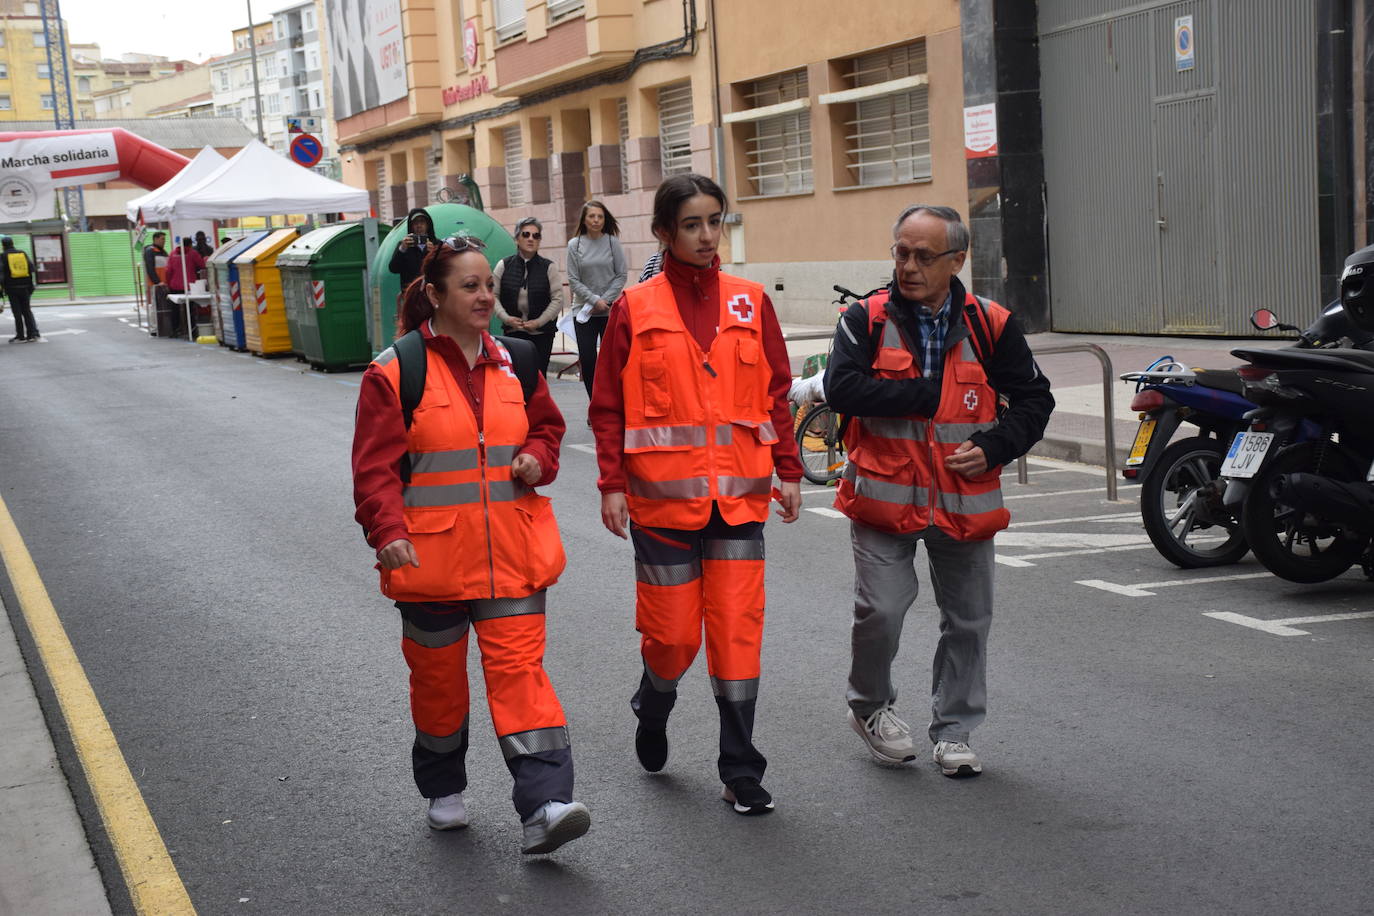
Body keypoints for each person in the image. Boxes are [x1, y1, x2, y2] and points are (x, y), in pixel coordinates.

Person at [351, 235, 591, 855]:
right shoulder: (395, 371)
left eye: (489, 284)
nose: (486, 296)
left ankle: (546, 805)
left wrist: (538, 457)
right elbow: (374, 470)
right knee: (438, 685)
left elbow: (547, 430)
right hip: (430, 560)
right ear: (435, 295)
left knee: (521, 676)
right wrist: (388, 532)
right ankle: (443, 786)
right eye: (470, 286)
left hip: (513, 554)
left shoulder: (517, 359)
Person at [590, 174, 803, 816]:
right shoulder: (635, 308)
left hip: (738, 502)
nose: (708, 236)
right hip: (662, 505)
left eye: (715, 221)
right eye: (692, 225)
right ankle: (654, 702)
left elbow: (776, 394)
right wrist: (611, 484)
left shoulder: (750, 301)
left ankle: (740, 768)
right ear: (664, 233)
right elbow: (608, 406)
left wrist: (789, 470)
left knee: (737, 633)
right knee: (675, 638)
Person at [824, 204, 1054, 777]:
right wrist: (922, 396)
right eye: (901, 252)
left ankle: (954, 730)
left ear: (957, 260)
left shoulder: (992, 323)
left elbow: (1035, 400)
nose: (908, 266)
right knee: (880, 610)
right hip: (883, 498)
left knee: (969, 620)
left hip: (964, 501)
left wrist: (996, 446)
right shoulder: (866, 318)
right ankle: (870, 707)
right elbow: (841, 388)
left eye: (924, 256)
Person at [566, 200, 626, 399]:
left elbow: (621, 275)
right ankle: (594, 402)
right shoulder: (574, 245)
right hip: (583, 311)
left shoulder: (612, 242)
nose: (596, 220)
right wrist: (593, 300)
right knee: (588, 358)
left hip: (609, 310)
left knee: (612, 359)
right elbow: (573, 279)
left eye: (600, 216)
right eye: (592, 216)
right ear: (584, 220)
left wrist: (605, 301)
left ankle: (613, 400)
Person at [493, 217, 562, 378]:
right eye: (526, 234)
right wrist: (507, 318)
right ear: (517, 238)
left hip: (542, 334)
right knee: (516, 377)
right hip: (513, 333)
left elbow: (558, 299)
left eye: (536, 236)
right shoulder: (504, 265)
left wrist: (539, 322)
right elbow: (493, 295)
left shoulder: (549, 267)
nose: (531, 239)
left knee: (538, 378)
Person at [388, 208, 439, 292]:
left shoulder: (437, 244)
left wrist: (434, 253)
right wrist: (402, 250)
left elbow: (444, 269)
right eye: (415, 223)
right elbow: (393, 269)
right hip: (410, 293)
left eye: (422, 222)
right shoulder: (404, 245)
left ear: (428, 224)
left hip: (431, 292)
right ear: (411, 226)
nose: (419, 225)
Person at [164, 237, 207, 338]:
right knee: (190, 310)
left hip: (174, 286)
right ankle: (191, 331)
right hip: (189, 286)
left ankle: (175, 330)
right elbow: (202, 265)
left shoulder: (172, 254)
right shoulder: (193, 253)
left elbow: (168, 271)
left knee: (175, 310)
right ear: (190, 244)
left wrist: (168, 283)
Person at [1, 237, 38, 342]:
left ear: (3, 245)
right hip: (25, 287)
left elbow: (1, 274)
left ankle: (20, 335)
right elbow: (32, 268)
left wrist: (2, 289)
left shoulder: (3, 256)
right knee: (27, 311)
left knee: (17, 313)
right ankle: (31, 335)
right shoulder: (22, 253)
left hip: (12, 288)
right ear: (12, 243)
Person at [142, 231, 168, 301]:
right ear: (156, 239)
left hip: (164, 285)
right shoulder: (150, 251)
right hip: (156, 285)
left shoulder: (163, 252)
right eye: (162, 239)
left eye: (164, 239)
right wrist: (158, 282)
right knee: (157, 305)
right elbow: (150, 269)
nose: (164, 241)